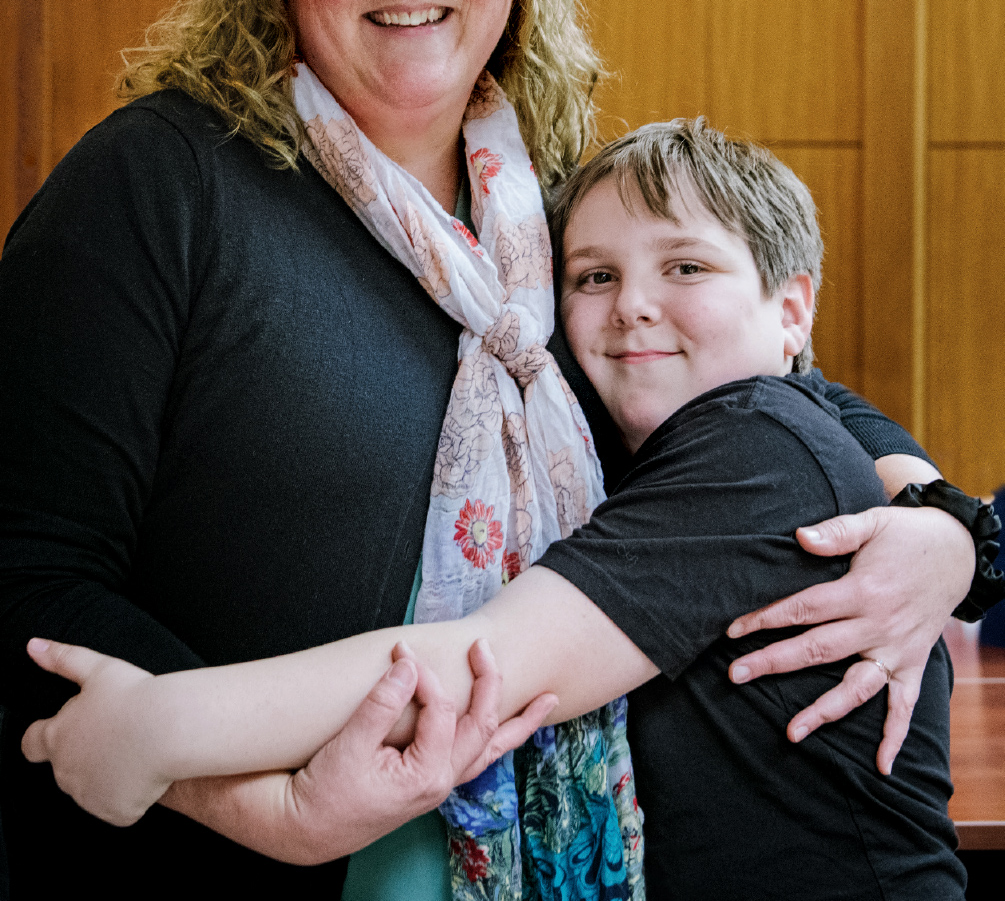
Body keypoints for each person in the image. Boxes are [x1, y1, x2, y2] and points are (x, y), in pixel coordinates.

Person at [0, 0, 981, 899]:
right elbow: (27, 571)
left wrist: (947, 533)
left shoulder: (555, 213)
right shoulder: (161, 183)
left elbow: (781, 387)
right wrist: (270, 809)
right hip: (211, 867)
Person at [23, 119, 985, 899]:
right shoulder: (641, 433)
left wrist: (159, 727)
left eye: (685, 268)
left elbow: (485, 662)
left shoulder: (757, 448)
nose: (632, 306)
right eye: (594, 277)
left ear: (791, 309)